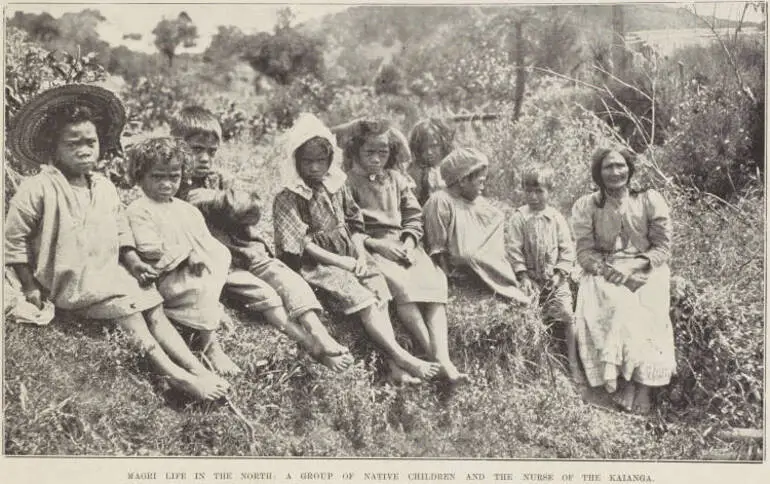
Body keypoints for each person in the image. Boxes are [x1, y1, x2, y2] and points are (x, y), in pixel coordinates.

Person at [4, 84, 229, 400]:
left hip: (107, 270)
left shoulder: (104, 187)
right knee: (131, 314)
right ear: (52, 147)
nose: (84, 150)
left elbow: (122, 233)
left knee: (153, 307)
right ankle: (175, 375)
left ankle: (197, 366)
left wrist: (135, 264)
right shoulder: (38, 189)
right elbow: (13, 242)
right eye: (73, 144)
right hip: (69, 279)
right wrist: (29, 287)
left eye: (90, 142)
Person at [170, 106, 353, 372]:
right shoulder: (173, 186)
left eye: (211, 152)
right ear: (177, 146)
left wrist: (217, 199)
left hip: (250, 252)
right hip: (222, 267)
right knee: (266, 296)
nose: (205, 158)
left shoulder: (218, 181)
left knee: (290, 281)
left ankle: (320, 333)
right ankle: (309, 344)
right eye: (196, 149)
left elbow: (251, 209)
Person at [273, 113, 441, 383]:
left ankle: (394, 366)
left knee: (379, 290)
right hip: (317, 263)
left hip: (348, 253)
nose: (315, 168)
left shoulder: (335, 186)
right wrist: (342, 263)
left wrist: (360, 256)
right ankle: (401, 356)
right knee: (362, 298)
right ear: (296, 161)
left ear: (330, 160)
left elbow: (354, 225)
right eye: (308, 161)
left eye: (321, 161)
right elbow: (301, 244)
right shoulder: (289, 196)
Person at [339, 118, 468, 384]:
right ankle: (431, 355)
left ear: (392, 153)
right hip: (372, 246)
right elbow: (347, 227)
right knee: (401, 285)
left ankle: (443, 357)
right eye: (369, 153)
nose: (376, 159)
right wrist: (377, 244)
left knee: (433, 281)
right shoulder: (348, 183)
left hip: (403, 244)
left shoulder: (397, 179)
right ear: (355, 152)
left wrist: (409, 242)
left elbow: (413, 215)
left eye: (383, 153)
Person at [571, 147, 676, 414]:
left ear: (629, 169)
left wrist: (636, 267)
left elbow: (662, 247)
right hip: (606, 267)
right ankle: (621, 380)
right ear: (598, 173)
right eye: (608, 167)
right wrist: (606, 270)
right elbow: (584, 251)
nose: (615, 172)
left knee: (649, 304)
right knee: (613, 301)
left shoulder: (649, 199)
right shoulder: (588, 205)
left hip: (645, 266)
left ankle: (642, 388)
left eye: (620, 166)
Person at [125, 137, 238, 375]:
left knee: (216, 256)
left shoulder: (186, 209)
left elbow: (203, 241)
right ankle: (210, 346)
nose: (166, 184)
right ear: (140, 176)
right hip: (164, 276)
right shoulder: (139, 210)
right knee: (199, 284)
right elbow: (150, 250)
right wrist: (188, 255)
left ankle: (210, 310)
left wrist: (198, 254)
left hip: (188, 268)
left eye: (173, 177)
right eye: (157, 176)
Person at [422, 147, 529, 304]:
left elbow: (491, 235)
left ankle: (499, 285)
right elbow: (437, 248)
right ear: (463, 180)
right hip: (457, 275)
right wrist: (447, 280)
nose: (483, 187)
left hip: (481, 269)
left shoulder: (478, 203)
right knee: (467, 255)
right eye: (480, 182)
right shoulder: (441, 200)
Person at [509, 165, 578, 380]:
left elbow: (567, 248)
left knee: (566, 314)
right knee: (528, 315)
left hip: (554, 279)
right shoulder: (519, 218)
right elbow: (513, 249)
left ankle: (574, 363)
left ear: (550, 191)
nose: (534, 196)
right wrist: (523, 275)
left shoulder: (556, 218)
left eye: (539, 191)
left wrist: (559, 274)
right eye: (529, 191)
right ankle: (536, 362)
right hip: (530, 279)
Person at [407, 118, 455, 205]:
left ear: (443, 144)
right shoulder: (416, 171)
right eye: (423, 148)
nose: (429, 152)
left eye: (434, 146)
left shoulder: (453, 167)